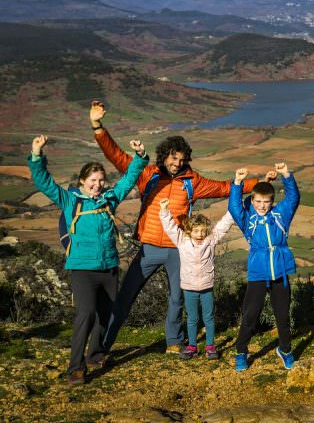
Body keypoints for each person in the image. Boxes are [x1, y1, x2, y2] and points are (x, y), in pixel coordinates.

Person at [88, 101, 260, 354]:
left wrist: (258, 183)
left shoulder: (193, 181)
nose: (177, 163)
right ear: (164, 155)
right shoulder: (148, 174)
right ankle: (102, 348)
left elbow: (224, 188)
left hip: (178, 249)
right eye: (173, 157)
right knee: (125, 298)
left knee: (177, 298)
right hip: (148, 247)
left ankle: (174, 342)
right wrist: (97, 126)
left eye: (181, 159)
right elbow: (117, 157)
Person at [27, 135, 148, 385]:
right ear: (82, 181)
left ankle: (96, 355)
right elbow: (44, 183)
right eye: (93, 180)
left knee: (106, 315)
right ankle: (75, 368)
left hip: (109, 268)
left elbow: (127, 181)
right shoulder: (71, 200)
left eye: (101, 180)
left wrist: (139, 157)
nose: (98, 184)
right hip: (82, 269)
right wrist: (37, 155)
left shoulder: (108, 200)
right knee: (86, 314)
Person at [228, 162, 300, 371]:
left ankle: (285, 350)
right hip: (258, 272)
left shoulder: (280, 215)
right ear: (252, 201)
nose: (262, 205)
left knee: (283, 316)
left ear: (272, 201)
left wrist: (287, 175)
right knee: (250, 315)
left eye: (266, 201)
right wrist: (238, 183)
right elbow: (234, 207)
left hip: (281, 271)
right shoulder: (247, 219)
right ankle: (241, 352)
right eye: (258, 201)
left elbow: (294, 198)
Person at [158, 197, 234, 360]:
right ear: (189, 231)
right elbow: (170, 227)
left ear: (206, 231)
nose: (200, 234)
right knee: (192, 318)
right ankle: (192, 346)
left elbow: (223, 226)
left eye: (203, 231)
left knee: (209, 318)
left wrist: (232, 210)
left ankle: (210, 347)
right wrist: (164, 210)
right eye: (196, 231)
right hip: (189, 288)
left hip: (207, 287)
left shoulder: (211, 241)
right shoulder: (181, 241)